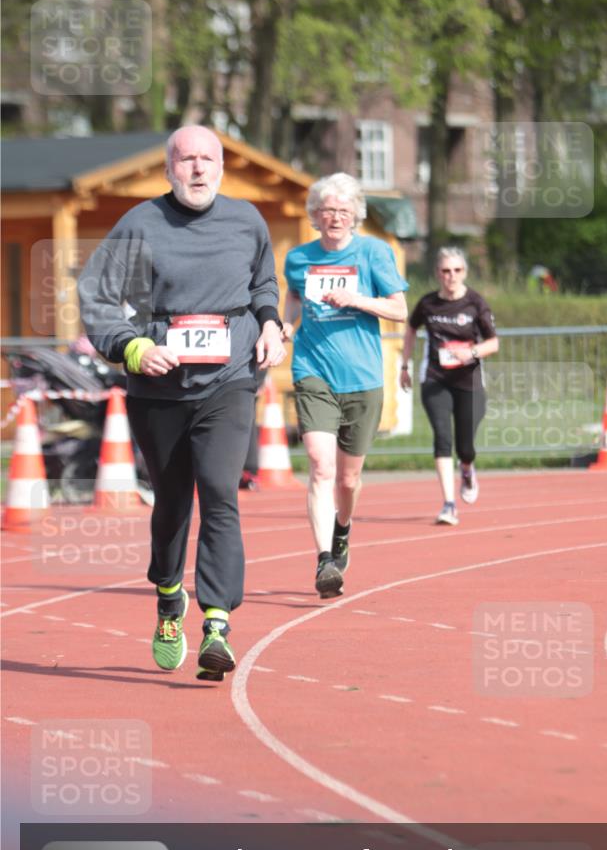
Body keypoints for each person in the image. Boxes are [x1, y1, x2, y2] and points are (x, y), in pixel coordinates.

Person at [78, 125, 286, 682]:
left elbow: (264, 283)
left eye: (207, 159)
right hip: (159, 390)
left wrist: (270, 325)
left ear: (221, 166)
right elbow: (95, 297)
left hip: (231, 378)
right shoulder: (139, 225)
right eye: (186, 159)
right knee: (172, 503)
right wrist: (134, 347)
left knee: (221, 492)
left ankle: (217, 624)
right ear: (169, 169)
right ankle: (170, 596)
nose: (197, 168)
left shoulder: (247, 221)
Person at [283, 172, 408, 598]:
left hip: (363, 377)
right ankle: (323, 562)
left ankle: (342, 528)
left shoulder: (374, 252)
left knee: (348, 481)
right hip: (313, 370)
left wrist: (355, 299)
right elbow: (295, 298)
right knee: (320, 466)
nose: (334, 217)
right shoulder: (299, 258)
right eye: (326, 210)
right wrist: (284, 324)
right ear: (314, 216)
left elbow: (399, 310)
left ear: (355, 215)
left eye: (342, 210)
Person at [400, 247, 498, 526]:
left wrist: (473, 352)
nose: (451, 276)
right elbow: (410, 329)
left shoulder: (476, 303)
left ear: (464, 272)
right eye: (445, 271)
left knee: (465, 445)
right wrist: (405, 366)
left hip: (469, 381)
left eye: (456, 270)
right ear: (437, 274)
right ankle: (449, 504)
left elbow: (494, 342)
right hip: (435, 378)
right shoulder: (428, 303)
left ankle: (466, 468)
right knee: (443, 437)